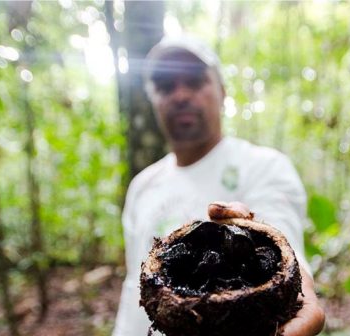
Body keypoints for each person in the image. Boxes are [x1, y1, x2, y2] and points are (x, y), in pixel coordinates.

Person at [113, 35, 325, 336]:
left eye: (195, 81)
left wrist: (293, 282)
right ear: (153, 100)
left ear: (222, 92)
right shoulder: (142, 186)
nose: (181, 95)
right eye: (165, 86)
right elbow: (135, 284)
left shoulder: (263, 165)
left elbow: (282, 233)